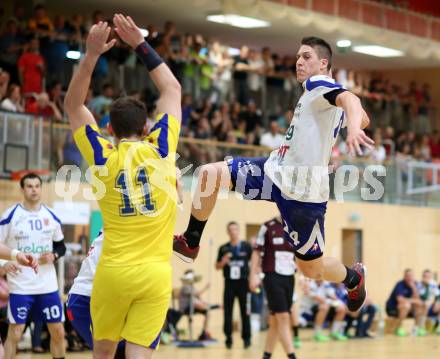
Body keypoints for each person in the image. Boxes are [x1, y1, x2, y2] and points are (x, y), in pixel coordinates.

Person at [174, 36, 372, 314]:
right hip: (274, 171)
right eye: (297, 57)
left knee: (310, 269)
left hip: (303, 197)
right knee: (209, 173)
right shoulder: (319, 96)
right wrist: (350, 124)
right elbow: (363, 116)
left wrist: (351, 129)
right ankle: (191, 242)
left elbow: (351, 100)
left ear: (323, 63)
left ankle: (353, 278)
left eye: (306, 57)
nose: (299, 61)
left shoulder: (319, 84)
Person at [65, 14, 181, 359]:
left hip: (113, 273)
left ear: (110, 131)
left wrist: (90, 56)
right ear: (147, 127)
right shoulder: (161, 148)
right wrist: (140, 45)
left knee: (102, 353)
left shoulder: (103, 157)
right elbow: (172, 89)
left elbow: (73, 106)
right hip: (155, 275)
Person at [0, 173, 65, 359]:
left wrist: (53, 255)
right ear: (22, 189)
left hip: (47, 285)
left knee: (58, 330)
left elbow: (61, 246)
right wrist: (5, 263)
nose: (34, 189)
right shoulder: (10, 216)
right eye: (29, 186)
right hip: (21, 285)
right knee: (16, 331)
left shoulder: (51, 216)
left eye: (37, 186)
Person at [249, 216, 298, 359]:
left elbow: (300, 255)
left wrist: (303, 277)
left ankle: (266, 355)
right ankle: (292, 355)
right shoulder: (267, 226)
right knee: (283, 317)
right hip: (272, 276)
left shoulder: (296, 226)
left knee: (275, 319)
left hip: (289, 277)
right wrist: (253, 275)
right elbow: (256, 251)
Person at [215, 222, 252, 349]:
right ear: (227, 231)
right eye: (230, 229)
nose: (233, 232)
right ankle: (228, 338)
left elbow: (254, 262)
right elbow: (217, 267)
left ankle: (247, 339)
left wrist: (254, 278)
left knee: (245, 311)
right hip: (229, 283)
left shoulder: (246, 246)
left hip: (243, 283)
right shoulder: (223, 248)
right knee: (228, 312)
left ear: (238, 230)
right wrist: (223, 261)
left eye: (235, 229)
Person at [386, 269, 423, 337]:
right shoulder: (400, 284)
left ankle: (416, 328)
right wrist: (412, 300)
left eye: (411, 276)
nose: (409, 278)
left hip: (408, 309)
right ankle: (399, 328)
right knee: (406, 305)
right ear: (404, 277)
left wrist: (413, 287)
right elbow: (400, 299)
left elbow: (418, 299)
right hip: (393, 309)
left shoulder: (415, 284)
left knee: (419, 305)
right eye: (407, 276)